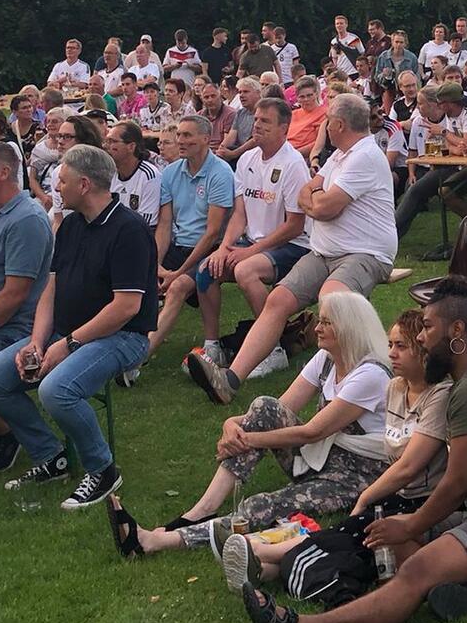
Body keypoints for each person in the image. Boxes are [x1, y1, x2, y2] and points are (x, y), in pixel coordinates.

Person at [238, 280, 467, 623]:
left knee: (417, 564)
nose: (421, 338)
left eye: (427, 327)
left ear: (457, 330)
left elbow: (458, 483)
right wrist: (406, 526)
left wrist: (413, 522)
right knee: (387, 537)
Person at [114, 291, 394, 559]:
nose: (316, 328)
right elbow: (278, 408)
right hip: (322, 458)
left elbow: (313, 432)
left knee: (261, 505)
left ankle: (158, 541)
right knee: (264, 405)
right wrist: (231, 425)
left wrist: (247, 439)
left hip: (356, 476)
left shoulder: (370, 374)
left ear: (348, 329)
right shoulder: (326, 359)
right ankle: (202, 510)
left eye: (325, 322)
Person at [0, 144, 157, 509]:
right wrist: (38, 342)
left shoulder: (129, 230)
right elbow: (50, 289)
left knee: (57, 389)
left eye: (62, 180)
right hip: (68, 334)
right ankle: (50, 454)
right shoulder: (71, 224)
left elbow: (126, 307)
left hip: (123, 337)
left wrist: (68, 344)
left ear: (84, 184)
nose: (55, 187)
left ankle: (102, 469)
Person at [216, 307, 452, 593]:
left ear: (423, 350)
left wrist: (366, 496)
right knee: (353, 536)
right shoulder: (395, 388)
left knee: (351, 537)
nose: (391, 354)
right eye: (390, 345)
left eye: (401, 346)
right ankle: (259, 566)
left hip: (414, 497)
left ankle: (255, 552)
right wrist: (234, 422)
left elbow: (408, 466)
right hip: (391, 491)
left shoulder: (438, 396)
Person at [191, 93, 397, 402]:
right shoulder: (341, 155)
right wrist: (317, 201)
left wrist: (317, 201)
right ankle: (229, 380)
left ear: (338, 124)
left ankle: (362, 378)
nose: (324, 126)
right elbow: (310, 193)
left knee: (332, 300)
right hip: (324, 252)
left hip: (364, 253)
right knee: (278, 301)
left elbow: (322, 206)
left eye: (327, 121)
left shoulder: (364, 155)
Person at [195, 97, 311, 382]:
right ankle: (213, 347)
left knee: (246, 271)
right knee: (205, 270)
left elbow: (296, 225)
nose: (256, 125)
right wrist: (224, 248)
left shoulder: (293, 164)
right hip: (254, 242)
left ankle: (273, 349)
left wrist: (250, 252)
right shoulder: (247, 159)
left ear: (284, 128)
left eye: (265, 121)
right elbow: (239, 215)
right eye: (256, 119)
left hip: (293, 246)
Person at [144, 115, 237, 367]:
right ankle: (128, 340)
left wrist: (178, 272)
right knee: (138, 276)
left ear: (206, 139)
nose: (180, 141)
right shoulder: (171, 172)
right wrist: (157, 262)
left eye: (187, 135)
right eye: (179, 135)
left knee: (176, 287)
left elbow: (212, 232)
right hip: (180, 245)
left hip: (211, 248)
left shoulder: (220, 173)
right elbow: (164, 224)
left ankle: (139, 358)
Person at [394, 81, 467, 236]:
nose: (439, 106)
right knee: (443, 191)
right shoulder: (450, 115)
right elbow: (455, 149)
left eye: (440, 103)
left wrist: (443, 133)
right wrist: (457, 146)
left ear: (448, 103)